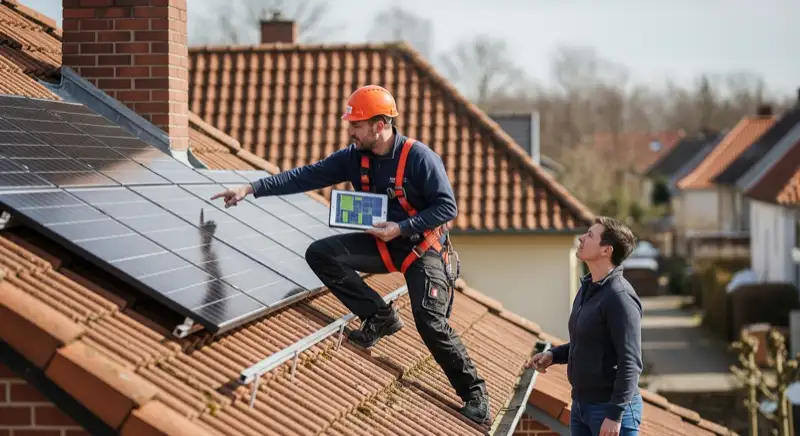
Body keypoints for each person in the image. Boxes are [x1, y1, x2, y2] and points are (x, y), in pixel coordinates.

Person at [210, 85, 491, 425]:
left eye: (356, 125)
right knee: (321, 254)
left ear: (379, 125)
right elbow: (305, 175)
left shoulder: (419, 158)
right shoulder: (352, 157)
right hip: (385, 244)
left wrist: (401, 229)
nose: (351, 131)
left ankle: (474, 393)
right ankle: (380, 317)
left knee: (429, 320)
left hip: (422, 248)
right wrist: (251, 188)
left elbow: (447, 207)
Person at [526, 216, 644, 436]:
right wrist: (553, 355)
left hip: (609, 411)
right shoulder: (588, 288)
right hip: (581, 406)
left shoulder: (620, 297)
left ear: (606, 251)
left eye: (590, 235)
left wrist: (614, 414)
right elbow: (588, 342)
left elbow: (631, 362)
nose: (581, 238)